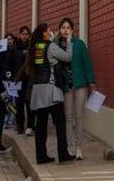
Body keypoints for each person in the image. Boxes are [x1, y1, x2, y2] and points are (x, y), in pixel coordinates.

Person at [26, 23, 75, 164]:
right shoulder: (51, 46)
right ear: (44, 33)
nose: (51, 32)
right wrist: (69, 41)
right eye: (48, 30)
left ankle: (41, 156)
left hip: (38, 90)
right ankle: (63, 153)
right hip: (51, 89)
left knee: (41, 124)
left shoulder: (34, 47)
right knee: (60, 123)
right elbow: (68, 57)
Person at [59, 17, 96, 160]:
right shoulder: (57, 45)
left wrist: (91, 81)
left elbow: (87, 63)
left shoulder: (79, 44)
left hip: (80, 84)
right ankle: (69, 147)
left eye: (68, 27)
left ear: (72, 30)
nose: (65, 30)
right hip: (65, 86)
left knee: (79, 116)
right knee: (68, 117)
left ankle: (79, 147)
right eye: (63, 27)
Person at [11, 26, 33, 136]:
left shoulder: (31, 47)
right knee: (19, 104)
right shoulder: (15, 47)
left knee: (29, 103)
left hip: (29, 80)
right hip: (18, 80)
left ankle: (30, 125)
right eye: (23, 34)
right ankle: (20, 125)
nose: (25, 36)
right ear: (20, 35)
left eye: (26, 34)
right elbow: (12, 62)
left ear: (29, 36)